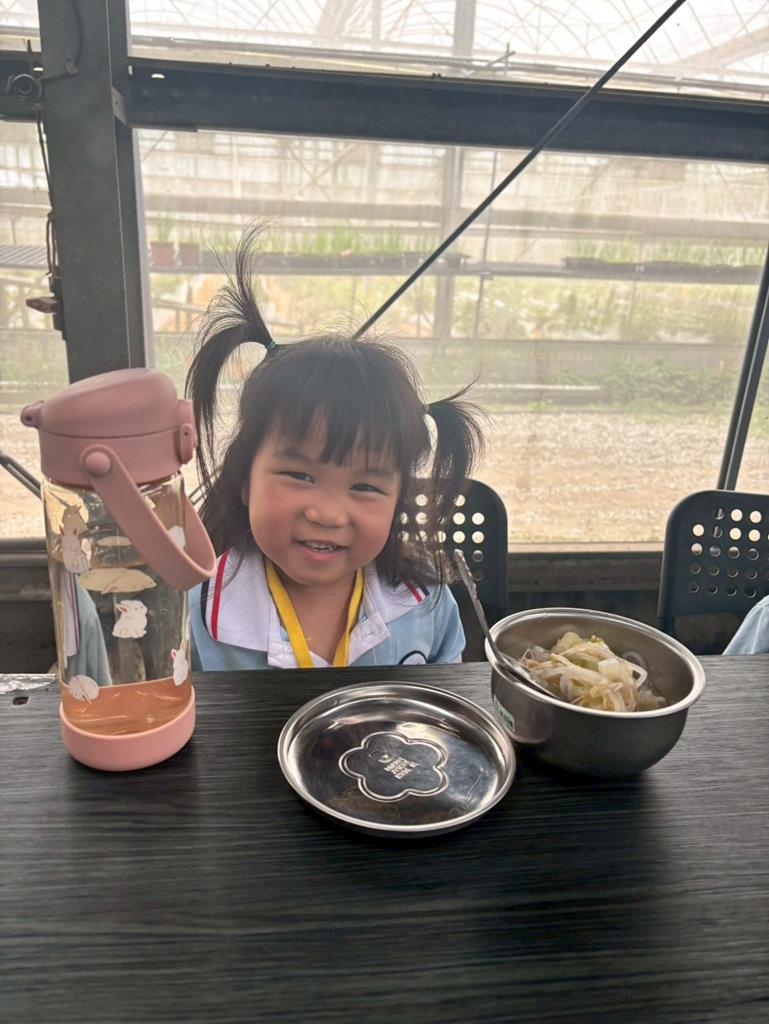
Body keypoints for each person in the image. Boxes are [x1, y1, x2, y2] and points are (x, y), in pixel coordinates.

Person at [186, 227, 484, 671]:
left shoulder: (427, 602)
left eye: (364, 486)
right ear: (244, 477)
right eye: (299, 475)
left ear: (398, 499)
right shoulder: (194, 611)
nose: (327, 514)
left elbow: (445, 699)